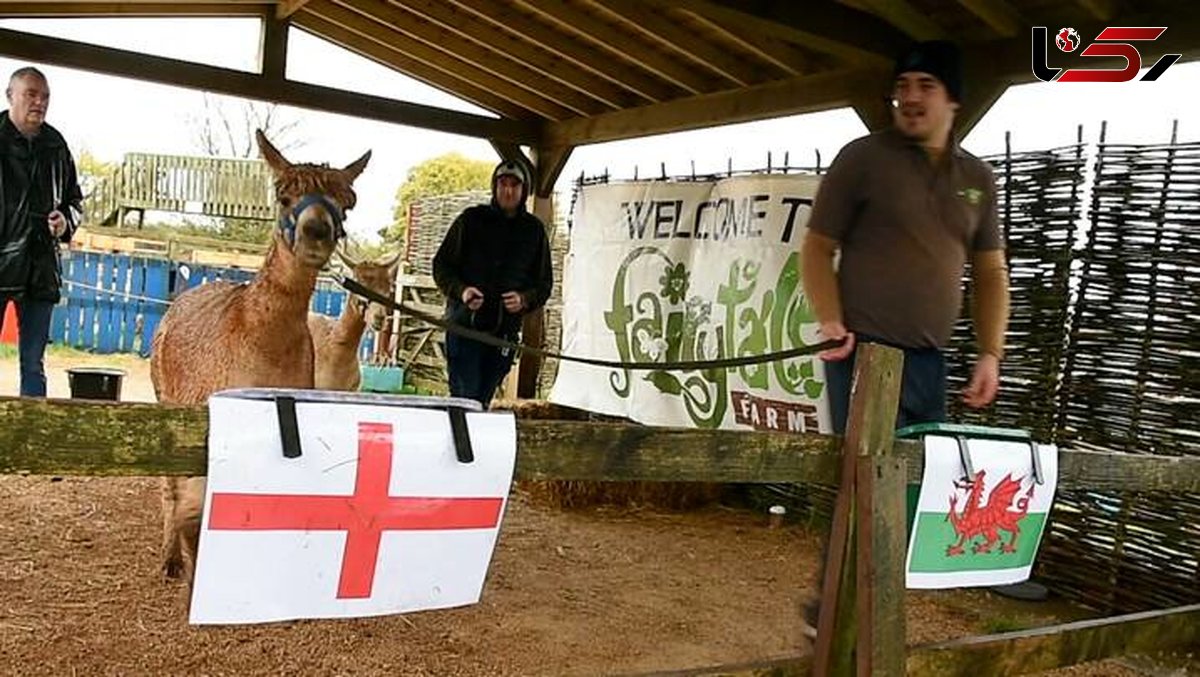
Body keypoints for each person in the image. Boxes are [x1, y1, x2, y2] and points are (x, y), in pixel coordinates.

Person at [798, 40, 1012, 633]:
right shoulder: (862, 158)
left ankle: (872, 603)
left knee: (914, 486)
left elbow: (991, 272)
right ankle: (832, 608)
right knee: (861, 478)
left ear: (954, 99)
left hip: (930, 360)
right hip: (860, 353)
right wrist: (831, 318)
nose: (910, 97)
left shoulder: (976, 179)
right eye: (904, 84)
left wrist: (991, 352)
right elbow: (817, 249)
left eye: (926, 85)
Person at [432, 159, 553, 408]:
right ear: (494, 187)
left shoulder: (534, 231)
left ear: (523, 190)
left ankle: (473, 444)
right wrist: (462, 291)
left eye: (514, 185)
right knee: (466, 399)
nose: (508, 191)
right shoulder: (470, 220)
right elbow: (441, 266)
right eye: (502, 184)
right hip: (465, 327)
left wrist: (524, 299)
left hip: (503, 334)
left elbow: (543, 284)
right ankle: (462, 445)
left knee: (482, 399)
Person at [0, 66, 83, 397]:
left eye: (45, 96)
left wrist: (65, 221)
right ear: (10, 96)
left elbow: (75, 201)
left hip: (41, 269)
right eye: (31, 94)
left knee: (33, 364)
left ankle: (32, 441)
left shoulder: (56, 145)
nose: (39, 103)